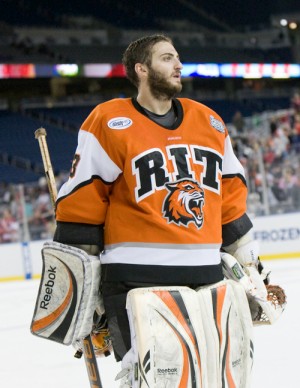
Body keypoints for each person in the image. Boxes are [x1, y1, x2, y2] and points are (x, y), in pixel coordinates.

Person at [52, 34, 284, 386]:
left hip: (208, 279)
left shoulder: (210, 122)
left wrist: (254, 271)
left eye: (177, 57)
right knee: (152, 379)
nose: (178, 65)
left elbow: (230, 201)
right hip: (135, 280)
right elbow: (82, 207)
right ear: (141, 70)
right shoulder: (108, 121)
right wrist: (81, 291)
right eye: (166, 58)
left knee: (218, 378)